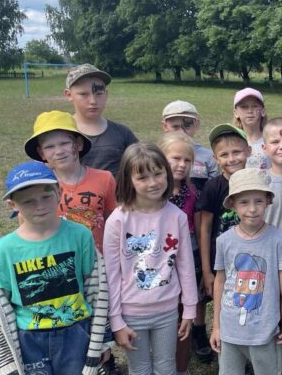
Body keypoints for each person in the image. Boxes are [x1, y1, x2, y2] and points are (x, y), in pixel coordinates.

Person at [0, 161, 108, 374]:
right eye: (28, 201)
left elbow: (95, 288)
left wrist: (102, 339)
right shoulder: (4, 249)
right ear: (12, 205)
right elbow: (1, 301)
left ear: (59, 192)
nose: (40, 206)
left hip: (76, 332)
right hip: (30, 339)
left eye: (46, 197)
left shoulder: (80, 235)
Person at [103, 143, 198, 374]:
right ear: (128, 180)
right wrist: (116, 320)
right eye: (142, 177)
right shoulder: (117, 220)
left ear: (167, 172)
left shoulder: (177, 216)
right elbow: (111, 274)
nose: (153, 182)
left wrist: (189, 309)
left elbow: (186, 266)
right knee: (140, 369)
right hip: (131, 312)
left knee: (166, 367)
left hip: (167, 310)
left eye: (157, 174)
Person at [209, 168, 282, 375]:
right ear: (233, 204)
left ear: (268, 201)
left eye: (258, 201)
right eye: (244, 202)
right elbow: (220, 282)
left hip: (264, 331)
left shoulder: (278, 239)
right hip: (229, 330)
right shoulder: (224, 241)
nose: (252, 209)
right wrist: (216, 326)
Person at [25, 110, 116, 253]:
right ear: (41, 153)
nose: (59, 151)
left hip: (98, 261)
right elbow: (28, 230)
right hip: (57, 260)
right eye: (49, 147)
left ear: (78, 144)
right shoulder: (35, 187)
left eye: (64, 143)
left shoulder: (105, 179)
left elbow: (114, 225)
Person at [198, 124, 252, 346]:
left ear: (248, 151)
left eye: (237, 152)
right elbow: (205, 229)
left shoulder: (256, 182)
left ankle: (246, 343)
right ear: (215, 158)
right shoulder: (213, 187)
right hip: (221, 261)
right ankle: (219, 341)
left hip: (249, 260)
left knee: (246, 302)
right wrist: (206, 270)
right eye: (224, 154)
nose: (231, 159)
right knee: (222, 303)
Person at [157, 131, 204, 374]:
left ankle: (180, 366)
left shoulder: (193, 193)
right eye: (175, 158)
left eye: (187, 160)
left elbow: (198, 229)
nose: (182, 164)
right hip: (157, 262)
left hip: (186, 259)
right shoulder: (151, 192)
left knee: (182, 314)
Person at [65, 63, 138, 177]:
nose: (93, 101)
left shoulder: (122, 133)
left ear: (106, 95)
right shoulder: (60, 134)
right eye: (84, 94)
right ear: (69, 95)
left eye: (99, 94)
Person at [162, 100, 219, 191]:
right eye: (175, 127)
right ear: (165, 126)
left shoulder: (209, 157)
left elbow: (214, 190)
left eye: (187, 126)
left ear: (196, 125)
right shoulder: (158, 155)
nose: (181, 132)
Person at [233, 88, 270, 170]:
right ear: (236, 113)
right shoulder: (231, 142)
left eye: (255, 106)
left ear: (263, 111)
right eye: (244, 107)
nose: (250, 111)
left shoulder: (273, 141)